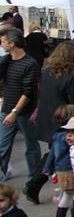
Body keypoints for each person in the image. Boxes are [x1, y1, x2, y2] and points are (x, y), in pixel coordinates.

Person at [28, 41, 74, 204]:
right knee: (66, 156)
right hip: (67, 123)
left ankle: (35, 184)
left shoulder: (46, 72)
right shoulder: (72, 78)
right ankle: (69, 192)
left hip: (49, 119)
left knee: (54, 154)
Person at [0, 28, 41, 181]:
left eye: (4, 42)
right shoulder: (6, 61)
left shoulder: (30, 63)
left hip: (24, 112)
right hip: (7, 109)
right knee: (2, 145)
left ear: (12, 44)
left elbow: (28, 91)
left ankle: (34, 177)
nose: (2, 45)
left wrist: (15, 111)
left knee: (31, 145)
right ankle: (2, 177)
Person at [35, 105, 74, 217]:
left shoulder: (57, 135)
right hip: (68, 168)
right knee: (68, 194)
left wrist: (48, 167)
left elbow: (53, 153)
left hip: (62, 168)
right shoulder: (67, 136)